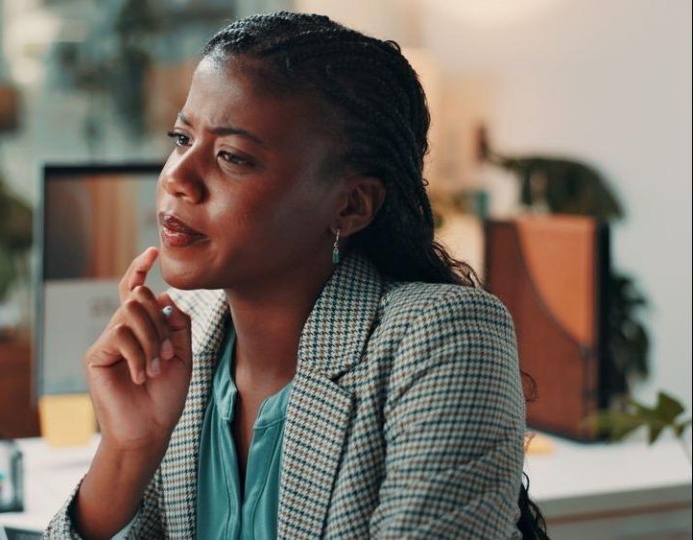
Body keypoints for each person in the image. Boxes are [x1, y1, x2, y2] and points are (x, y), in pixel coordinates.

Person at [46, 11, 547, 540]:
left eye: (232, 157)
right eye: (181, 138)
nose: (178, 178)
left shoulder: (444, 337)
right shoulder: (178, 339)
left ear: (350, 205)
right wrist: (128, 449)